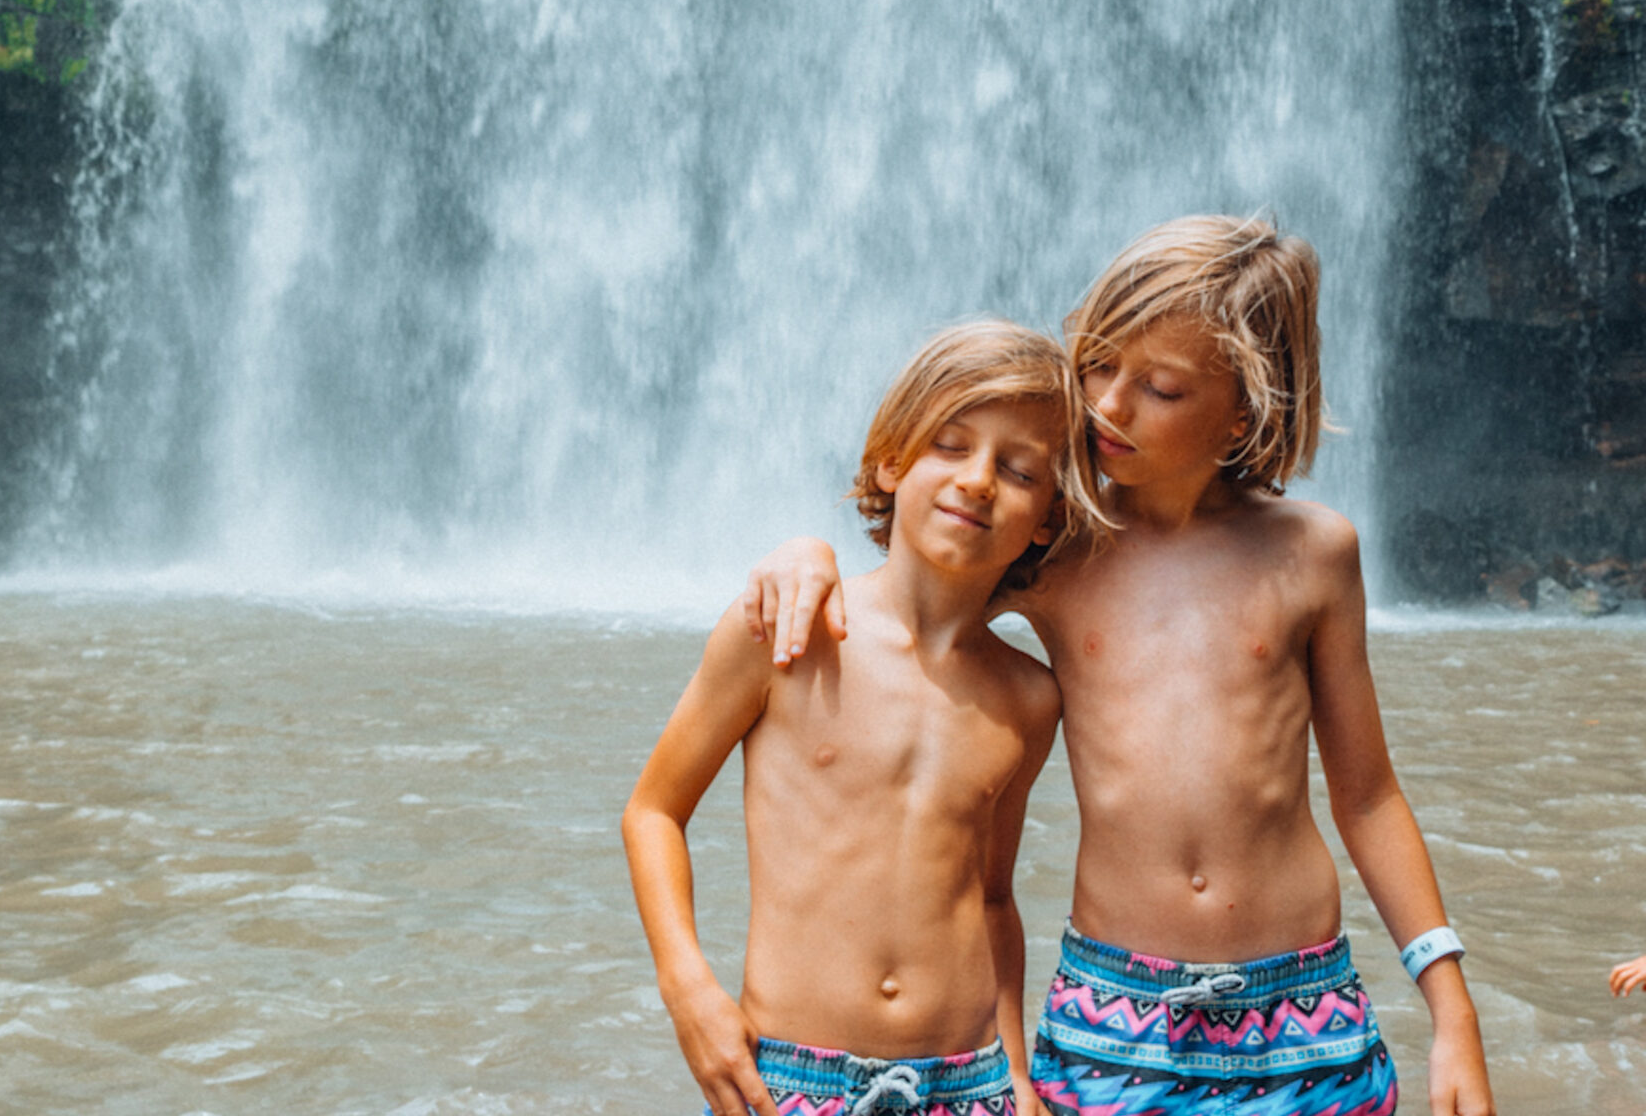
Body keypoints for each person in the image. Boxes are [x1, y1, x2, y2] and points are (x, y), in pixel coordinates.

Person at [746, 216, 1497, 1116]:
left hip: (1304, 1016)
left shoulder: (1315, 554)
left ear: (1246, 412)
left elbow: (1368, 795)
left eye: (1162, 388)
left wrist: (1451, 1009)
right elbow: (895, 599)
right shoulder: (1054, 548)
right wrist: (804, 555)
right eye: (1097, 365)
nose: (1106, 406)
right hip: (1113, 1021)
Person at [623, 321, 1102, 1116]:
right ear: (891, 459)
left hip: (970, 1083)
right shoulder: (786, 628)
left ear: (1048, 516)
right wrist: (690, 995)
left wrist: (1016, 1075)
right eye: (950, 446)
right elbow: (653, 812)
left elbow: (989, 897)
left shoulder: (1029, 697)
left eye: (1018, 470)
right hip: (792, 1083)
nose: (979, 480)